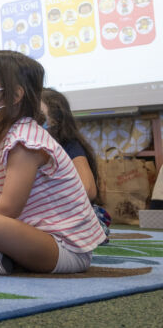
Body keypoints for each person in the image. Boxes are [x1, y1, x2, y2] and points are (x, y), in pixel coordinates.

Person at [0, 51, 106, 277]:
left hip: (63, 247)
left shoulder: (26, 140)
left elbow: (9, 206)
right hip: (18, 229)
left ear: (15, 95)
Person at [40, 88, 110, 240]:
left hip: (67, 215)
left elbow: (89, 189)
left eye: (37, 117)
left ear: (55, 121)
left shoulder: (69, 146)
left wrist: (45, 204)